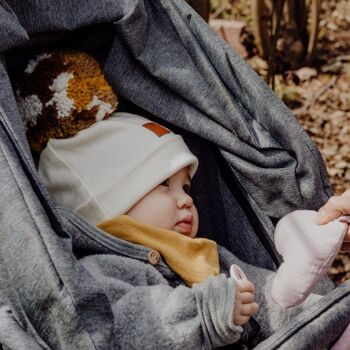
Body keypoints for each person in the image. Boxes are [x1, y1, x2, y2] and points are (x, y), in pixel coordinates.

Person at [16, 49, 346, 349]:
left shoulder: (203, 253)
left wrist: (311, 311)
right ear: (109, 199)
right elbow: (123, 330)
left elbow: (266, 299)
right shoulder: (101, 270)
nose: (186, 200)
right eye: (164, 185)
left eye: (186, 188)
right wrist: (204, 312)